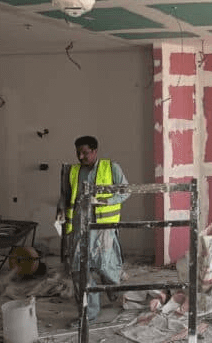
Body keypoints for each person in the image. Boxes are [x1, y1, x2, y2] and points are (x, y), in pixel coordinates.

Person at [56, 135, 130, 324]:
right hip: (79, 227)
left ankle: (113, 288)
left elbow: (125, 191)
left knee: (105, 266)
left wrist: (106, 200)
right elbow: (66, 195)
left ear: (95, 151)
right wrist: (61, 210)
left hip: (103, 227)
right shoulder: (73, 171)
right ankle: (88, 313)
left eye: (85, 153)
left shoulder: (111, 167)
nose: (81, 157)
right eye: (78, 153)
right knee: (78, 269)